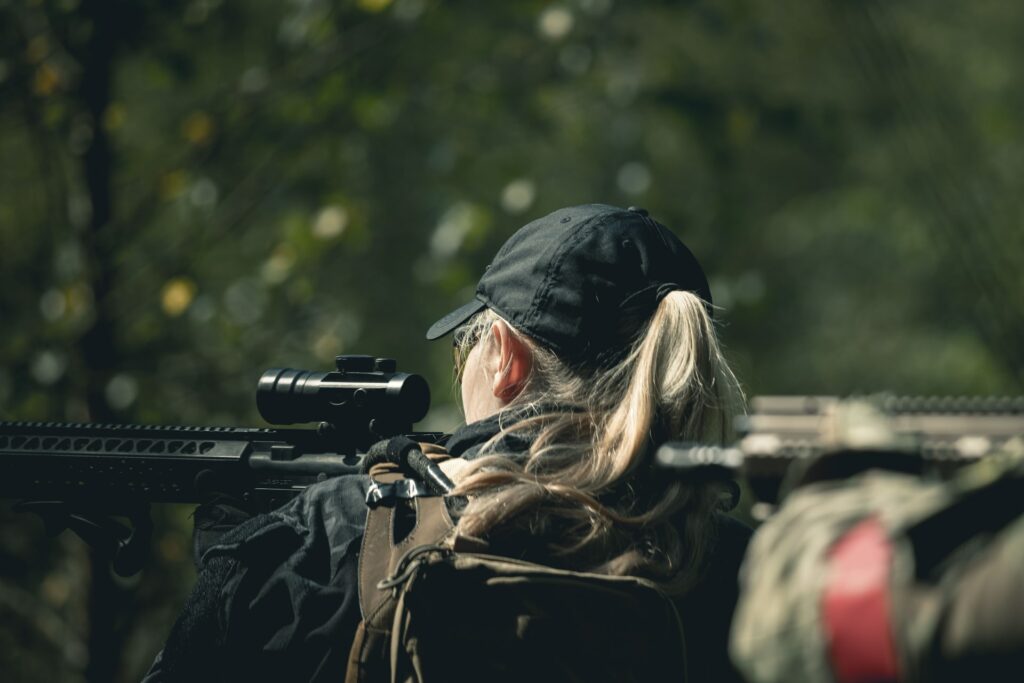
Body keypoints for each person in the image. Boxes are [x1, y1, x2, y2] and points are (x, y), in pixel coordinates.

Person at [142, 203, 751, 683]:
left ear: (506, 361)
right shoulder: (740, 568)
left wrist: (240, 564)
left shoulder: (324, 536)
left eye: (468, 345)